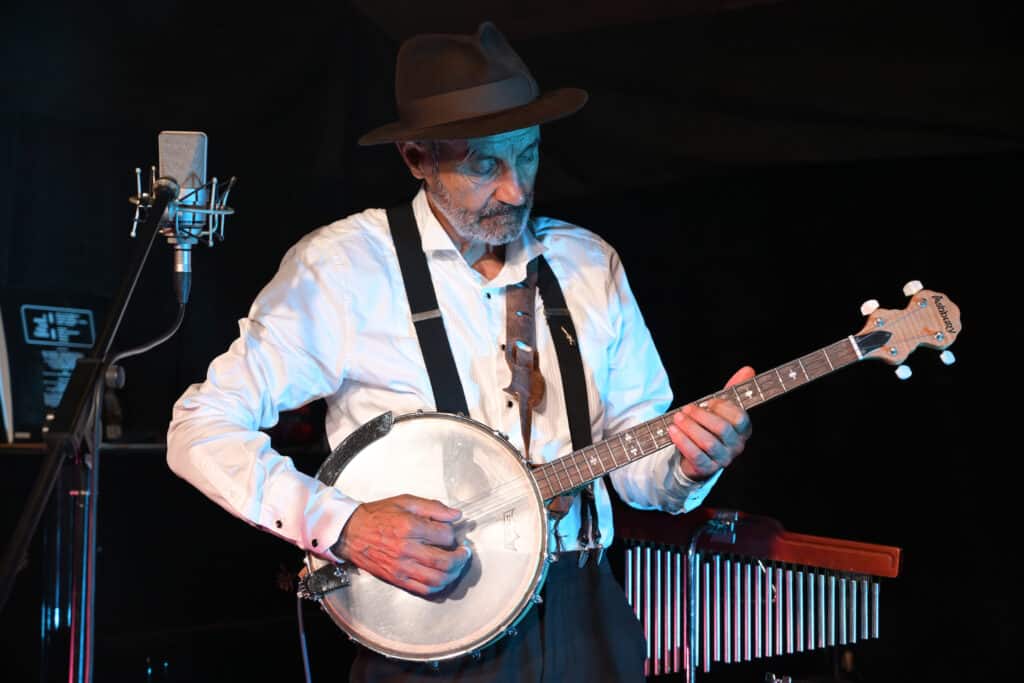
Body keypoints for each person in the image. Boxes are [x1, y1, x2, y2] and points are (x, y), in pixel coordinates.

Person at [166, 20, 754, 682]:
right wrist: (344, 525)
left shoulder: (589, 263)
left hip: (586, 612)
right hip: (431, 628)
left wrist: (691, 462)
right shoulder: (344, 268)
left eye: (527, 155)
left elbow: (640, 474)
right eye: (484, 164)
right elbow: (200, 426)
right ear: (416, 157)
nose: (516, 189)